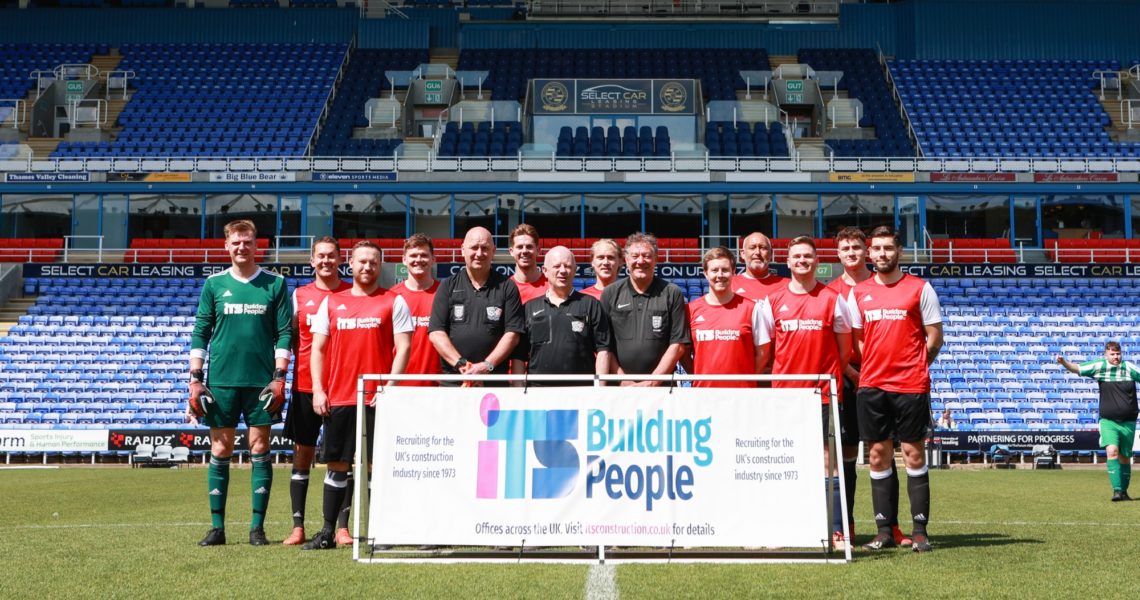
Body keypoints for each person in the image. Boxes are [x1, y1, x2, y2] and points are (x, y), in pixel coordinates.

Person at [303, 241, 413, 550]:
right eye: (361, 262)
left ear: (381, 266)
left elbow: (404, 347)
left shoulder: (394, 302)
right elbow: (319, 350)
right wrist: (318, 389)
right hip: (340, 397)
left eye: (373, 262)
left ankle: (382, 532)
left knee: (377, 466)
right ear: (350, 264)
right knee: (337, 465)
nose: (367, 267)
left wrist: (390, 387)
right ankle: (327, 532)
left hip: (376, 399)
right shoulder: (332, 302)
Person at [188, 219, 291, 547]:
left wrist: (279, 377)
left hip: (261, 382)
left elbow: (285, 332)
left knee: (260, 448)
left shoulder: (275, 284)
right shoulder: (214, 284)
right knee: (220, 448)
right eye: (236, 242)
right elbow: (201, 331)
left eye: (247, 241)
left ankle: (257, 528)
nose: (242, 247)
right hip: (221, 382)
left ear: (257, 244)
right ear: (226, 245)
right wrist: (195, 378)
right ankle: (217, 527)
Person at [848, 226, 943, 553]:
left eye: (888, 248)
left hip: (910, 385)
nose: (882, 254)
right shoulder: (858, 292)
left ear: (899, 251)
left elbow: (935, 336)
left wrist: (918, 363)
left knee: (914, 453)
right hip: (872, 384)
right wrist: (874, 363)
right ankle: (884, 531)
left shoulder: (920, 289)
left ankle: (919, 530)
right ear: (870, 253)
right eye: (876, 249)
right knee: (877, 455)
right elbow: (858, 339)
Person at [756, 236, 852, 549]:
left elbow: (844, 349)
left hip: (824, 394)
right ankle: (784, 528)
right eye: (797, 256)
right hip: (785, 397)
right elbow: (767, 351)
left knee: (828, 461)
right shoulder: (772, 301)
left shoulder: (834, 299)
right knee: (786, 460)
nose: (802, 261)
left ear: (817, 261)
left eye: (808, 256)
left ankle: (836, 531)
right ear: (787, 261)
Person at [826, 226, 911, 548]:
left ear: (868, 251)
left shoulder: (886, 284)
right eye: (845, 248)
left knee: (883, 453)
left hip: (884, 379)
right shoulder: (831, 291)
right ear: (838, 253)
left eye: (857, 248)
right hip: (849, 378)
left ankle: (892, 527)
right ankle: (844, 526)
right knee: (846, 457)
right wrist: (851, 372)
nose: (851, 253)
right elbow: (833, 345)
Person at [283, 237, 349, 546]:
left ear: (340, 259)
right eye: (320, 256)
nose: (326, 261)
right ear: (312, 261)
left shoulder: (351, 292)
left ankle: (342, 527)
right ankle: (298, 526)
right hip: (306, 386)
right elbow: (291, 338)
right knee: (303, 454)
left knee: (342, 458)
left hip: (343, 387)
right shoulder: (299, 295)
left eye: (331, 256)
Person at [429, 226, 525, 386]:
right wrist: (462, 365)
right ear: (462, 250)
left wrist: (485, 367)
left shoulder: (507, 287)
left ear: (493, 251)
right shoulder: (447, 286)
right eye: (474, 247)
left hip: (494, 384)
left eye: (485, 248)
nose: (479, 253)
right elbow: (436, 333)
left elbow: (512, 335)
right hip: (455, 383)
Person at [511, 246, 611, 384]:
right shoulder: (529, 308)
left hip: (582, 393)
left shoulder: (591, 305)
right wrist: (518, 389)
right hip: (538, 394)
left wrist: (599, 390)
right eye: (557, 266)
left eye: (568, 266)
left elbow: (603, 350)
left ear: (575, 270)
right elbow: (519, 356)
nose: (562, 271)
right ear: (545, 271)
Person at [600, 232, 690, 385]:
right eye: (635, 256)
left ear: (656, 259)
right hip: (619, 390)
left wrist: (652, 382)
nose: (640, 261)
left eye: (647, 256)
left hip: (661, 389)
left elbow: (678, 345)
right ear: (626, 260)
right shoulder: (610, 293)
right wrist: (623, 381)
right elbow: (603, 345)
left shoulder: (672, 292)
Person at [1057, 342, 1140, 502]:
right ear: (1106, 355)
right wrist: (1064, 362)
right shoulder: (1099, 366)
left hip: (1128, 422)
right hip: (1108, 421)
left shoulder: (1129, 368)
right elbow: (1078, 369)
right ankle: (1116, 491)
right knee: (1112, 452)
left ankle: (1124, 491)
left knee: (1124, 457)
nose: (1116, 357)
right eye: (1112, 354)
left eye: (1118, 354)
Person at [686, 246, 765, 388]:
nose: (720, 275)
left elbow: (763, 353)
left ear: (733, 272)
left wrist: (746, 379)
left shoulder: (752, 308)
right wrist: (697, 376)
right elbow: (684, 353)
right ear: (705, 273)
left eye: (725, 270)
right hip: (703, 393)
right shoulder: (691, 309)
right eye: (714, 270)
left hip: (741, 395)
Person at [391, 233, 442, 385]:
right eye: (413, 255)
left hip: (438, 385)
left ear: (433, 259)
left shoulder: (445, 294)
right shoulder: (392, 296)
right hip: (399, 384)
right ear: (404, 260)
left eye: (424, 255)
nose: (418, 260)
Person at [731, 231, 786, 303]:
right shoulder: (730, 284)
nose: (757, 252)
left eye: (763, 248)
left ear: (771, 254)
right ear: (743, 254)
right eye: (752, 248)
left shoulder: (787, 285)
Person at [509, 223, 548, 304]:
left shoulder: (551, 286)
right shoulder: (505, 289)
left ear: (538, 250)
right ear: (511, 251)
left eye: (529, 247)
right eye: (519, 247)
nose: (524, 251)